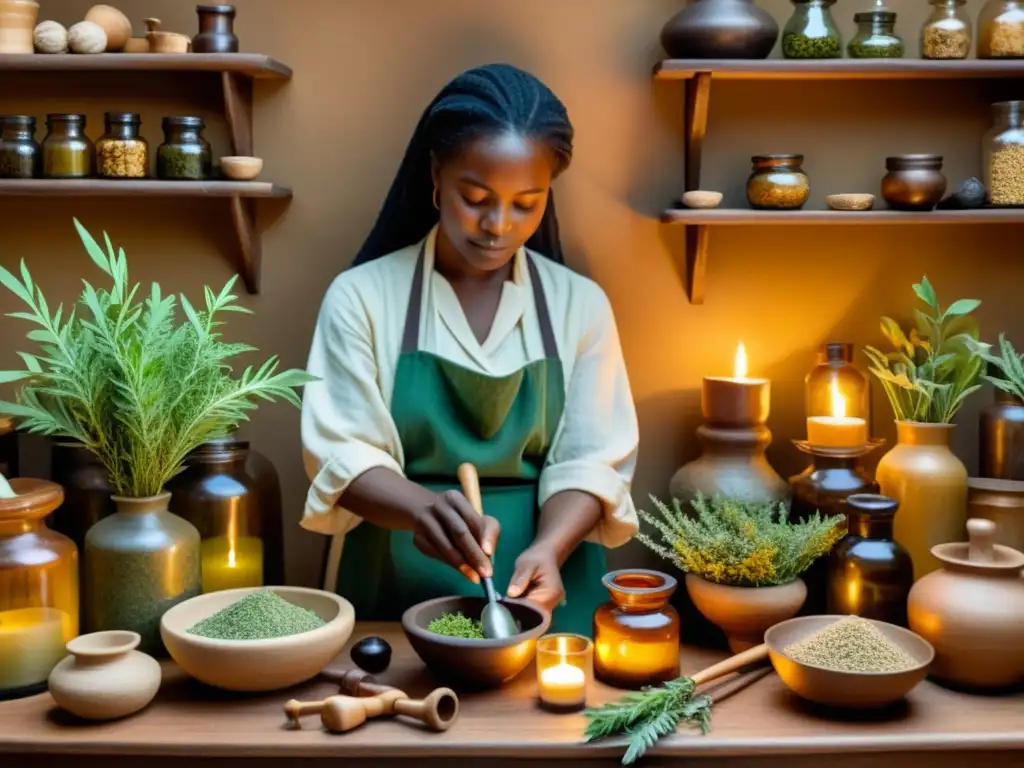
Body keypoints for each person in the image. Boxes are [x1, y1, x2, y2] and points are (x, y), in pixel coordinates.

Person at [300, 63, 639, 636]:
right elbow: (342, 454)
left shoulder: (579, 305)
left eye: (526, 203)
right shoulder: (361, 297)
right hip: (396, 577)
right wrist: (419, 509)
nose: (498, 226)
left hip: (551, 583)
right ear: (436, 173)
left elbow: (592, 459)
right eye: (476, 197)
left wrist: (552, 548)